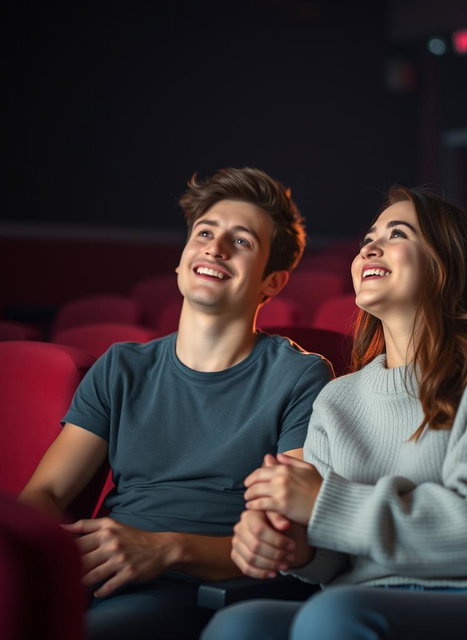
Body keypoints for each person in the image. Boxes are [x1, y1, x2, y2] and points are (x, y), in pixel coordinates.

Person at [203, 186, 467, 640]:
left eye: (396, 234)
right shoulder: (338, 397)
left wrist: (321, 502)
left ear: (447, 261)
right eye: (366, 240)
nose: (370, 248)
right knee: (238, 625)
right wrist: (290, 544)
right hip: (363, 598)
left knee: (334, 616)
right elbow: (332, 560)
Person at [19, 167, 333, 640]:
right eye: (205, 233)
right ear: (183, 258)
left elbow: (281, 540)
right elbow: (45, 495)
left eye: (241, 241)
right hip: (101, 568)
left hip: (196, 587)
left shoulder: (301, 376)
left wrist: (165, 548)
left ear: (272, 282)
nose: (215, 247)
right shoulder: (121, 366)